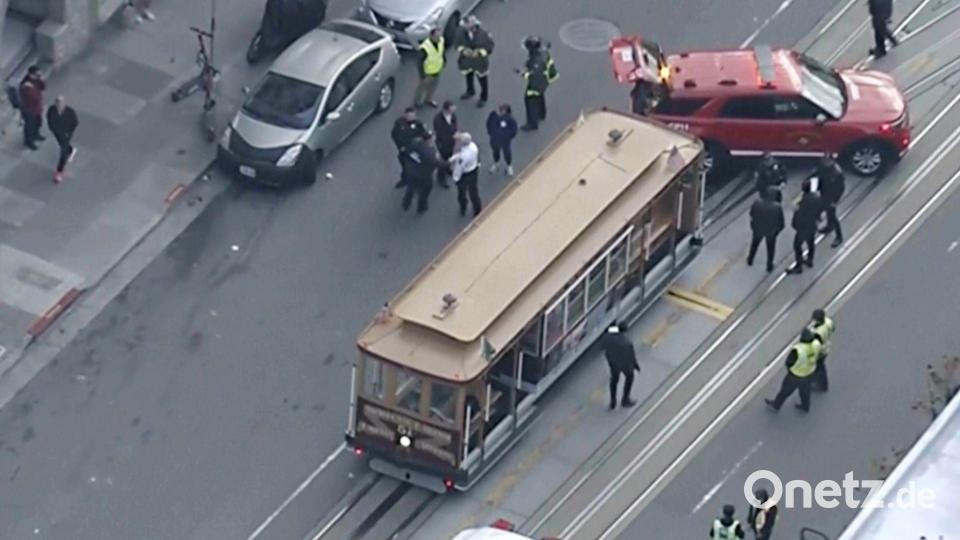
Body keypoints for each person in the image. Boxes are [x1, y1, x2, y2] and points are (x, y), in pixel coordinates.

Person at [765, 327, 821, 412]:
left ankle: (776, 405)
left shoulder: (798, 350)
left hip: (796, 375)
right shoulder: (816, 344)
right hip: (809, 373)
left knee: (785, 391)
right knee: (805, 391)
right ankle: (805, 406)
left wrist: (790, 368)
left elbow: (789, 362)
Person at [520, 36, 558, 131]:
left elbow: (534, 77)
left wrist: (524, 74)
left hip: (537, 84)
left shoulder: (535, 62)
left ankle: (532, 123)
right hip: (544, 81)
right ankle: (541, 113)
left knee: (530, 100)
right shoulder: (543, 53)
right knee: (540, 96)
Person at [456, 16, 495, 107]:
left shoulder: (484, 34)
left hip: (480, 62)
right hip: (467, 61)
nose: (464, 28)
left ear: (473, 26)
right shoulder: (460, 32)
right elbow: (457, 44)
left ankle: (483, 98)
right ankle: (470, 91)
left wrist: (479, 53)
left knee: (483, 81)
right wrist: (463, 50)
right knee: (468, 76)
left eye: (466, 26)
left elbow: (490, 48)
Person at [402, 132, 443, 214]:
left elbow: (406, 152)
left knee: (410, 188)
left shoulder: (414, 143)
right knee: (425, 190)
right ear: (429, 140)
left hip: (411, 171)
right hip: (424, 175)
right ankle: (421, 206)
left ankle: (406, 203)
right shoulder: (430, 152)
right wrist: (448, 163)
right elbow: (436, 163)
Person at [786, 179, 822, 275]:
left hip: (803, 228)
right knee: (811, 243)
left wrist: (795, 225)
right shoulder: (816, 198)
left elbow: (798, 216)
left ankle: (799, 266)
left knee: (797, 246)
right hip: (812, 225)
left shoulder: (802, 202)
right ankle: (810, 260)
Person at [746, 187, 785, 273]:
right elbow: (781, 223)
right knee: (770, 249)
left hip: (758, 228)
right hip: (771, 232)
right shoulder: (777, 207)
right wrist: (776, 232)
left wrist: (753, 225)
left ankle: (750, 259)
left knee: (754, 245)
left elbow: (751, 214)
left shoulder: (757, 203)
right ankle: (769, 265)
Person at [602, 323, 640, 410]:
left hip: (613, 362)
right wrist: (635, 365)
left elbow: (604, 346)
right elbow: (631, 356)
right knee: (630, 377)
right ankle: (625, 399)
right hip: (624, 363)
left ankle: (613, 401)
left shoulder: (609, 335)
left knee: (614, 380)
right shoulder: (627, 342)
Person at [390, 107, 428, 188]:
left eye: (413, 116)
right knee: (405, 167)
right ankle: (404, 180)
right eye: (409, 116)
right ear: (405, 115)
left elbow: (425, 136)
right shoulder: (399, 123)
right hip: (404, 152)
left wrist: (420, 141)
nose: (411, 118)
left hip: (415, 152)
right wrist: (400, 146)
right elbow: (394, 135)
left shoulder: (418, 124)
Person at [813, 155, 845, 248]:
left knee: (832, 216)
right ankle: (828, 226)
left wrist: (834, 201)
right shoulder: (822, 166)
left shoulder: (837, 173)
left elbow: (840, 189)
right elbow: (816, 174)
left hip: (831, 197)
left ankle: (839, 237)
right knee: (817, 211)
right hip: (823, 193)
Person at [46, 96, 79, 184]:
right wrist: (52, 128)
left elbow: (75, 122)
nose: (59, 105)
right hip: (57, 134)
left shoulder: (70, 112)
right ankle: (71, 150)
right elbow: (49, 119)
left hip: (66, 134)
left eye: (61, 104)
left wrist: (69, 132)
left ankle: (59, 172)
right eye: (58, 103)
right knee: (62, 145)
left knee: (63, 153)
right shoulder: (51, 110)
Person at [450, 132, 482, 217]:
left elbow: (459, 168)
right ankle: (477, 208)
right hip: (474, 170)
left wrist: (456, 178)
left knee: (461, 192)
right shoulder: (473, 146)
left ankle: (463, 206)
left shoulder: (463, 156)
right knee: (474, 191)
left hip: (465, 174)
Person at [415, 28, 446, 109]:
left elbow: (442, 51)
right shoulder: (425, 48)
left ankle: (428, 100)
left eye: (440, 36)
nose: (439, 38)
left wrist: (444, 60)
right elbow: (419, 62)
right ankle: (418, 102)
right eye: (436, 36)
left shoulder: (441, 40)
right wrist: (422, 76)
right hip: (427, 73)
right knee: (421, 89)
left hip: (437, 71)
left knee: (433, 88)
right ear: (431, 36)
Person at [18, 65, 47, 150]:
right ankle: (29, 142)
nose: (38, 76)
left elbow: (43, 87)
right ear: (31, 74)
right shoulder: (26, 85)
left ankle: (36, 135)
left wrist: (42, 79)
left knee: (38, 123)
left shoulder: (36, 80)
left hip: (37, 108)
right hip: (29, 110)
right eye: (36, 74)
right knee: (29, 126)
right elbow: (34, 98)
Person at [486, 104, 518, 176]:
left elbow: (514, 130)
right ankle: (496, 164)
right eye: (500, 110)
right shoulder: (493, 116)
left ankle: (509, 166)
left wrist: (508, 136)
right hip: (494, 139)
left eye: (502, 110)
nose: (500, 112)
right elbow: (488, 124)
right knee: (495, 151)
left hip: (505, 140)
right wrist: (491, 132)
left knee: (507, 153)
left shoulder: (510, 119)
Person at [432, 101, 458, 188]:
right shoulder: (438, 120)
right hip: (443, 144)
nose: (453, 112)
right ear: (446, 110)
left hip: (451, 142)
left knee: (449, 157)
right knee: (442, 161)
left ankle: (447, 169)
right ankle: (441, 177)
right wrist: (453, 136)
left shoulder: (452, 116)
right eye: (451, 110)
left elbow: (455, 125)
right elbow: (441, 134)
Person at [809, 308, 836, 392]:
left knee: (819, 367)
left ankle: (822, 385)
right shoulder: (828, 321)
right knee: (820, 366)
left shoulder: (819, 332)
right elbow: (833, 328)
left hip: (821, 351)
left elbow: (816, 345)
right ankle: (820, 382)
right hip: (826, 346)